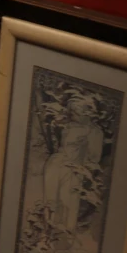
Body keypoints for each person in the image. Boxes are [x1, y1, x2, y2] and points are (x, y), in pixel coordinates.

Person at [43, 97, 103, 233]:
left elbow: (94, 158)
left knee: (68, 206)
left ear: (88, 111)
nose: (74, 114)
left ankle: (63, 243)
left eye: (78, 110)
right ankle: (46, 237)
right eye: (73, 110)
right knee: (50, 203)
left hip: (73, 170)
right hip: (55, 164)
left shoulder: (94, 131)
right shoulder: (68, 126)